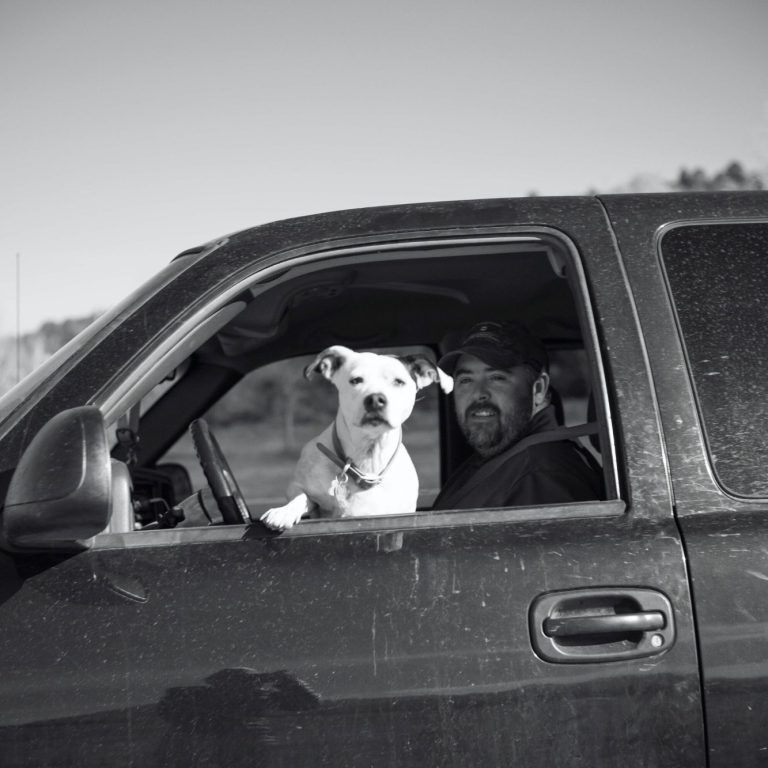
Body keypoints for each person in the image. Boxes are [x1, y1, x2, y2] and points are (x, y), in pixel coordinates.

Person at [432, 321, 603, 510]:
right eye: (466, 380)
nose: (478, 393)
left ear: (538, 389)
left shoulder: (540, 477)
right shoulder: (504, 459)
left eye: (496, 378)